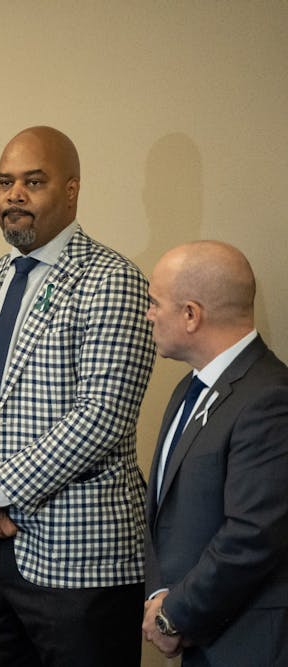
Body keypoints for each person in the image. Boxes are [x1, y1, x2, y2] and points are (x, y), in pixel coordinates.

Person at [0, 126, 156, 666]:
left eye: (33, 182)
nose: (14, 195)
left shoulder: (113, 280)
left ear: (71, 190)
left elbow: (101, 417)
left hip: (79, 562)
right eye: (5, 182)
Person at [141, 241, 288, 665]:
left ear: (191, 314)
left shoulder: (270, 398)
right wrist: (160, 596)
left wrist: (173, 615)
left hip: (247, 644)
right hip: (200, 640)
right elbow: (164, 513)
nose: (148, 314)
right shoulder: (188, 389)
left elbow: (253, 535)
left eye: (155, 303)